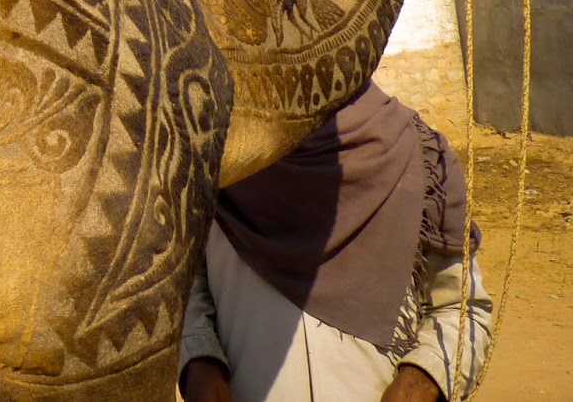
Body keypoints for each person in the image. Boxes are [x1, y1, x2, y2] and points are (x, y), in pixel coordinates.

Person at [180, 83, 492, 402]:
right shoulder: (217, 155)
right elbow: (188, 285)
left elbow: (462, 308)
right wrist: (200, 357)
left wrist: (423, 378)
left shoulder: (417, 154)